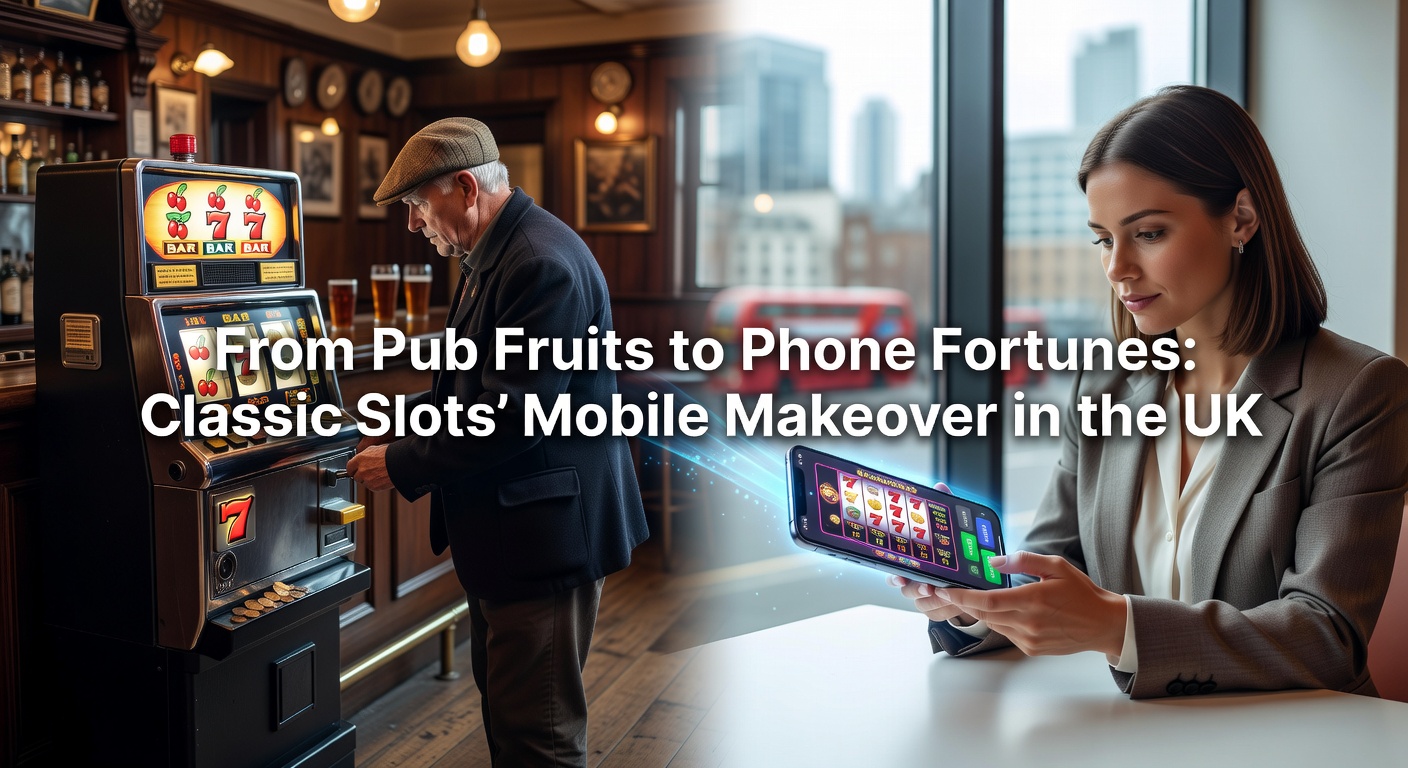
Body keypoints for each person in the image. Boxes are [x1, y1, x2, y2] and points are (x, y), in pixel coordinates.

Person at [894, 85, 1408, 699]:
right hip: (1136, 740)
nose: (1117, 269)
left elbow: (1327, 636)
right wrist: (971, 601)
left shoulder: (1359, 393)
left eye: (1150, 233)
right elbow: (1059, 572)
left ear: (1241, 218)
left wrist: (1119, 626)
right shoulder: (1104, 383)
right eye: (1104, 239)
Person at [346, 117, 649, 763]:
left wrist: (401, 462)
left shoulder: (537, 262)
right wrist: (394, 420)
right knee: (512, 713)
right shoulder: (497, 251)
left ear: (463, 187)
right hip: (517, 529)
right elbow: (471, 388)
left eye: (415, 204)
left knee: (538, 733)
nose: (412, 222)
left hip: (544, 534)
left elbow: (511, 415)